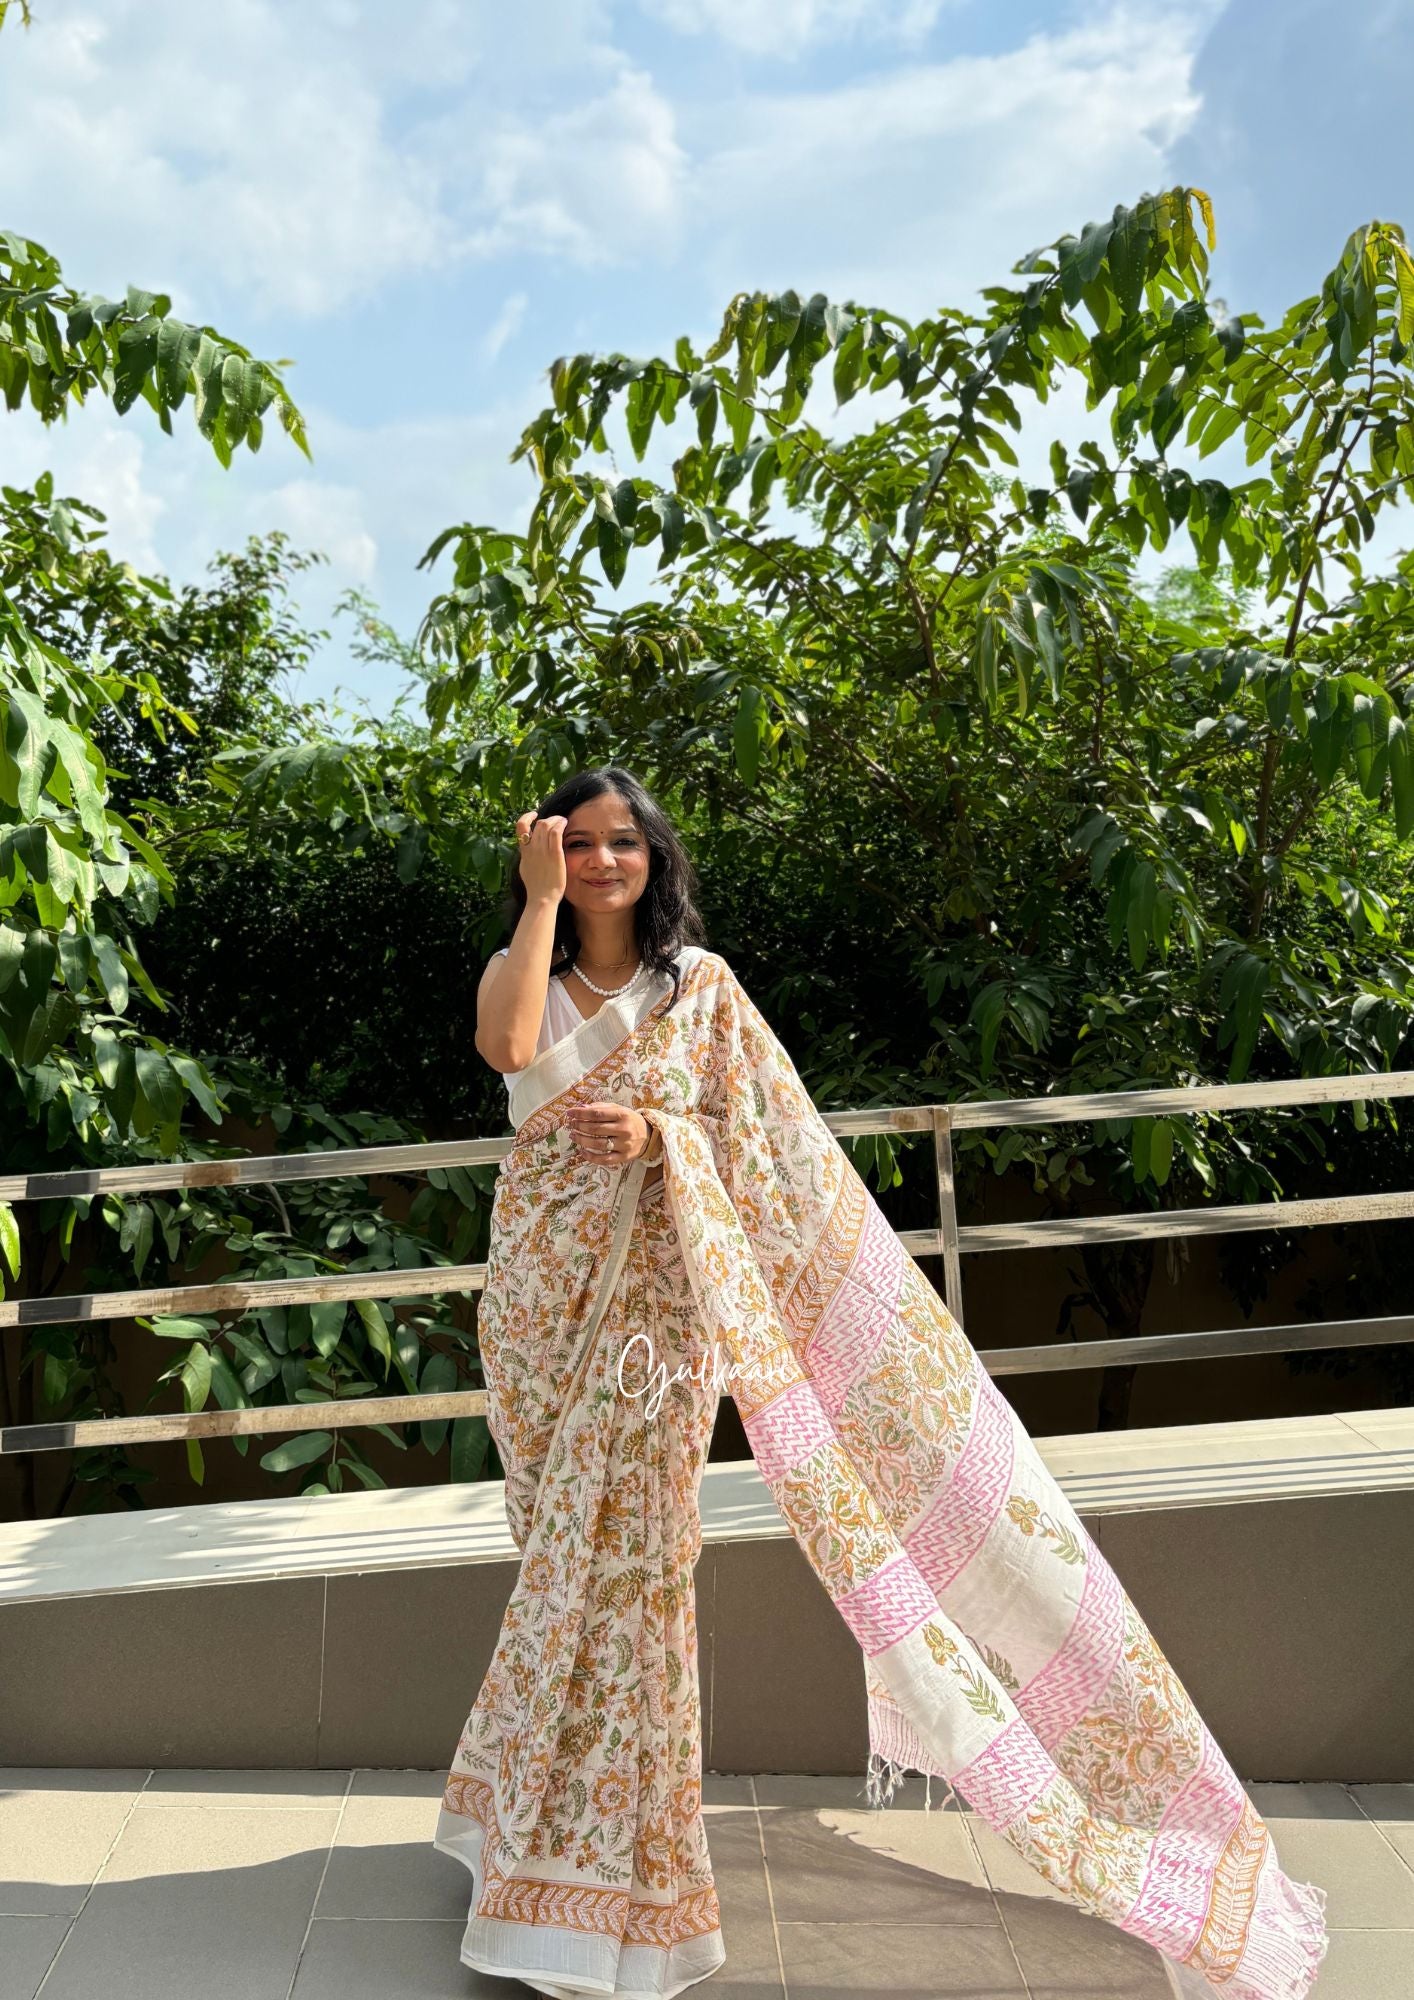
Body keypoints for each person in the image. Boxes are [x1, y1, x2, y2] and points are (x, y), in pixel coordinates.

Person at [434, 765, 1328, 2000]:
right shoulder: (519, 958)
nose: (599, 863)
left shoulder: (701, 990)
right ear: (546, 856)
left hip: (660, 1316)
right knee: (556, 1562)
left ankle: (613, 1880)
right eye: (576, 844)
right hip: (541, 1307)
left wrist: (662, 1137)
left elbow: (767, 1148)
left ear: (656, 855)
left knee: (636, 1568)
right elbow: (513, 1046)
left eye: (620, 842)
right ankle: (521, 1835)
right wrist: (533, 905)